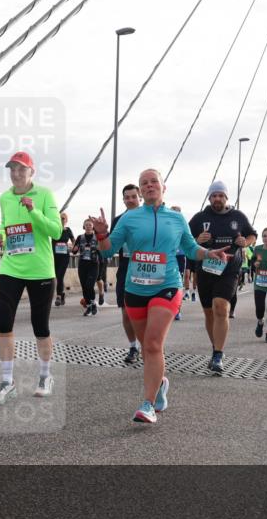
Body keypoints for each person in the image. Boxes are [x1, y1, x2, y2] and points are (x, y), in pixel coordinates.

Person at [91, 168, 230, 423]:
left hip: (167, 285)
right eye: (144, 183)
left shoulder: (177, 219)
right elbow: (106, 252)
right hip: (135, 288)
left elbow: (190, 249)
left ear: (163, 187)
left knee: (154, 343)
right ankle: (161, 383)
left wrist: (210, 254)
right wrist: (101, 235)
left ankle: (148, 404)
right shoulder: (129, 218)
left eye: (154, 181)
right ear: (140, 190)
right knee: (147, 348)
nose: (149, 186)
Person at [0, 151, 62, 404]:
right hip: (10, 267)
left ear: (32, 172)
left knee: (39, 325)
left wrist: (34, 212)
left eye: (21, 169)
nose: (16, 173)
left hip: (40, 270)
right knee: (3, 322)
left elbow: (56, 230)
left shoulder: (44, 195)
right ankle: (7, 382)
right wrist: (0, 235)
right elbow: (5, 225)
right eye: (12, 169)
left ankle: (45, 376)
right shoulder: (5, 197)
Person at [188, 180, 257, 374]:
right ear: (209, 198)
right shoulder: (199, 218)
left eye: (221, 195)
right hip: (205, 268)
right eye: (214, 195)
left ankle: (218, 354)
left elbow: (252, 235)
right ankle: (215, 346)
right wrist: (196, 239)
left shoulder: (238, 216)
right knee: (209, 312)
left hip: (229, 269)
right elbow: (185, 239)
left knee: (221, 308)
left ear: (227, 198)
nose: (217, 199)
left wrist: (245, 242)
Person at [112, 185, 142, 362]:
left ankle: (150, 346)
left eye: (133, 197)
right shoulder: (118, 220)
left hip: (147, 268)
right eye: (127, 197)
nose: (130, 200)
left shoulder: (150, 216)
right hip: (125, 268)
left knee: (146, 312)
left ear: (140, 198)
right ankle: (133, 347)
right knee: (125, 311)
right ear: (123, 199)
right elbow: (111, 246)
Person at [72, 219, 101, 316]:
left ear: (93, 227)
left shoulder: (97, 237)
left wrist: (99, 249)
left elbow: (102, 251)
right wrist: (74, 249)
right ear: (84, 226)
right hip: (82, 264)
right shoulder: (80, 237)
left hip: (93, 264)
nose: (88, 226)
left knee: (89, 285)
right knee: (84, 287)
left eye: (90, 225)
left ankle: (93, 303)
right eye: (86, 225)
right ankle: (88, 306)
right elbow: (74, 251)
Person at [52, 213, 74, 306]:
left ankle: (58, 296)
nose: (62, 219)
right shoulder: (54, 229)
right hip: (54, 256)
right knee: (56, 276)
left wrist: (72, 247)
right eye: (60, 218)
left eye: (63, 218)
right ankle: (62, 293)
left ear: (66, 220)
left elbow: (74, 241)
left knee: (60, 276)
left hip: (64, 256)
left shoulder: (68, 230)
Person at [170, 205, 186, 321]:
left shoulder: (183, 226)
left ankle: (177, 310)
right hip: (166, 258)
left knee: (177, 284)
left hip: (180, 257)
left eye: (177, 212)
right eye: (173, 212)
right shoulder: (164, 225)